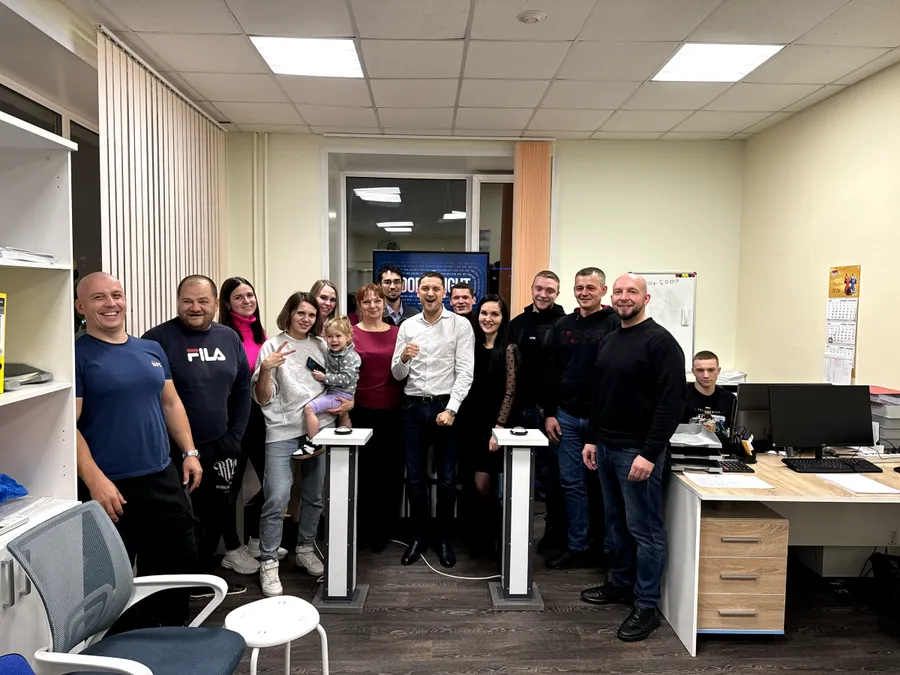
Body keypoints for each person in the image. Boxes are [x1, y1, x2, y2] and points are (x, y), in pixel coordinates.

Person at [75, 272, 200, 628]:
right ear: (80, 307)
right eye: (98, 298)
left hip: (162, 476)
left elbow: (170, 403)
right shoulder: (77, 355)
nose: (111, 303)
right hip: (111, 486)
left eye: (116, 295)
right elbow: (67, 426)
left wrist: (189, 452)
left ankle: (173, 640)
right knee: (110, 580)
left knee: (176, 567)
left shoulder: (150, 349)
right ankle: (120, 647)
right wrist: (95, 480)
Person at [581, 274, 686, 642]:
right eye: (619, 292)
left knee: (646, 531)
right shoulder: (611, 339)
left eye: (632, 292)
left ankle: (646, 605)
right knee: (617, 524)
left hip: (637, 453)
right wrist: (592, 439)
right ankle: (622, 584)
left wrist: (650, 453)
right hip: (607, 448)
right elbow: (600, 394)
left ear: (646, 298)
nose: (624, 298)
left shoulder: (661, 342)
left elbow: (672, 404)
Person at [142, 275, 252, 596]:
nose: (195, 307)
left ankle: (201, 580)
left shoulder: (229, 338)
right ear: (178, 302)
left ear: (216, 304)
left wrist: (234, 437)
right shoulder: (157, 340)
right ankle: (175, 588)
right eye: (187, 301)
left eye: (203, 301)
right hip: (171, 451)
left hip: (219, 446)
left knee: (214, 514)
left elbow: (242, 389)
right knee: (176, 520)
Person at [253, 292, 352, 597]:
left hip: (319, 428)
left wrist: (345, 405)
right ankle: (269, 560)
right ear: (289, 314)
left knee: (314, 495)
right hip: (281, 429)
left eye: (311, 314)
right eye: (301, 313)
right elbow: (262, 398)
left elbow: (339, 381)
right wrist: (267, 368)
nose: (307, 319)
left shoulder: (322, 345)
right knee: (277, 497)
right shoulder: (272, 346)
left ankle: (306, 548)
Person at [391, 271, 475, 568]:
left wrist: (452, 409)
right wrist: (403, 358)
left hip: (445, 407)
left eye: (435, 289)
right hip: (412, 408)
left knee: (448, 479)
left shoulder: (460, 325)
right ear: (418, 292)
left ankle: (444, 538)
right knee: (415, 478)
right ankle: (419, 537)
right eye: (425, 288)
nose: (430, 293)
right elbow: (397, 374)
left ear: (443, 293)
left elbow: (465, 372)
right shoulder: (408, 325)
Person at [543, 267, 620, 569]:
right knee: (571, 484)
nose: (584, 293)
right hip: (567, 417)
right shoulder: (563, 325)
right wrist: (550, 413)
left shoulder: (615, 323)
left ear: (603, 291)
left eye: (590, 287)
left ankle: (608, 549)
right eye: (579, 287)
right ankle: (577, 545)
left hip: (603, 420)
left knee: (605, 486)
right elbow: (551, 371)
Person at [217, 276, 287, 563]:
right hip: (232, 420)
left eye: (250, 295)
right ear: (227, 303)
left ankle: (258, 540)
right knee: (228, 488)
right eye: (238, 297)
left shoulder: (261, 334)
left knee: (273, 484)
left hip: (259, 418)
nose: (247, 301)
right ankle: (233, 550)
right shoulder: (222, 335)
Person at [508, 271, 566, 554]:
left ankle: (553, 536)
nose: (543, 294)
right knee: (518, 477)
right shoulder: (517, 323)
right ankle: (515, 537)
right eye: (539, 288)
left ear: (558, 293)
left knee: (552, 478)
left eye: (550, 290)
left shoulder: (565, 324)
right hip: (517, 411)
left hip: (549, 414)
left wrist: (551, 411)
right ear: (531, 289)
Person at [456, 294, 518, 559]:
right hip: (467, 423)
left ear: (503, 318)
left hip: (492, 427)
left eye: (495, 314)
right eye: (484, 313)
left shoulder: (509, 349)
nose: (488, 319)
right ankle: (480, 537)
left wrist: (500, 426)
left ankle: (498, 536)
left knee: (483, 484)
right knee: (469, 485)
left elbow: (510, 392)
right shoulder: (470, 345)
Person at [351, 283, 403, 552]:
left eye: (377, 301)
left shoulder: (398, 333)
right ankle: (365, 530)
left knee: (390, 474)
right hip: (361, 411)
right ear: (360, 306)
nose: (372, 306)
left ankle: (385, 530)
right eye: (366, 301)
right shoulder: (351, 333)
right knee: (365, 474)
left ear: (385, 304)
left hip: (394, 411)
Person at [299, 315, 361, 457]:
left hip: (341, 395)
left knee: (309, 408)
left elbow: (346, 379)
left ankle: (313, 443)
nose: (333, 340)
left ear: (348, 337)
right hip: (333, 392)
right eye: (329, 336)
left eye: (338, 336)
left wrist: (324, 377)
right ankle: (344, 446)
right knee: (343, 418)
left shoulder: (351, 357)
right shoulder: (330, 352)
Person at [683, 350, 736, 431]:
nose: (706, 375)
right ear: (693, 372)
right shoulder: (681, 395)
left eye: (711, 370)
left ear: (718, 371)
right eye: (700, 370)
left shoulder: (729, 399)